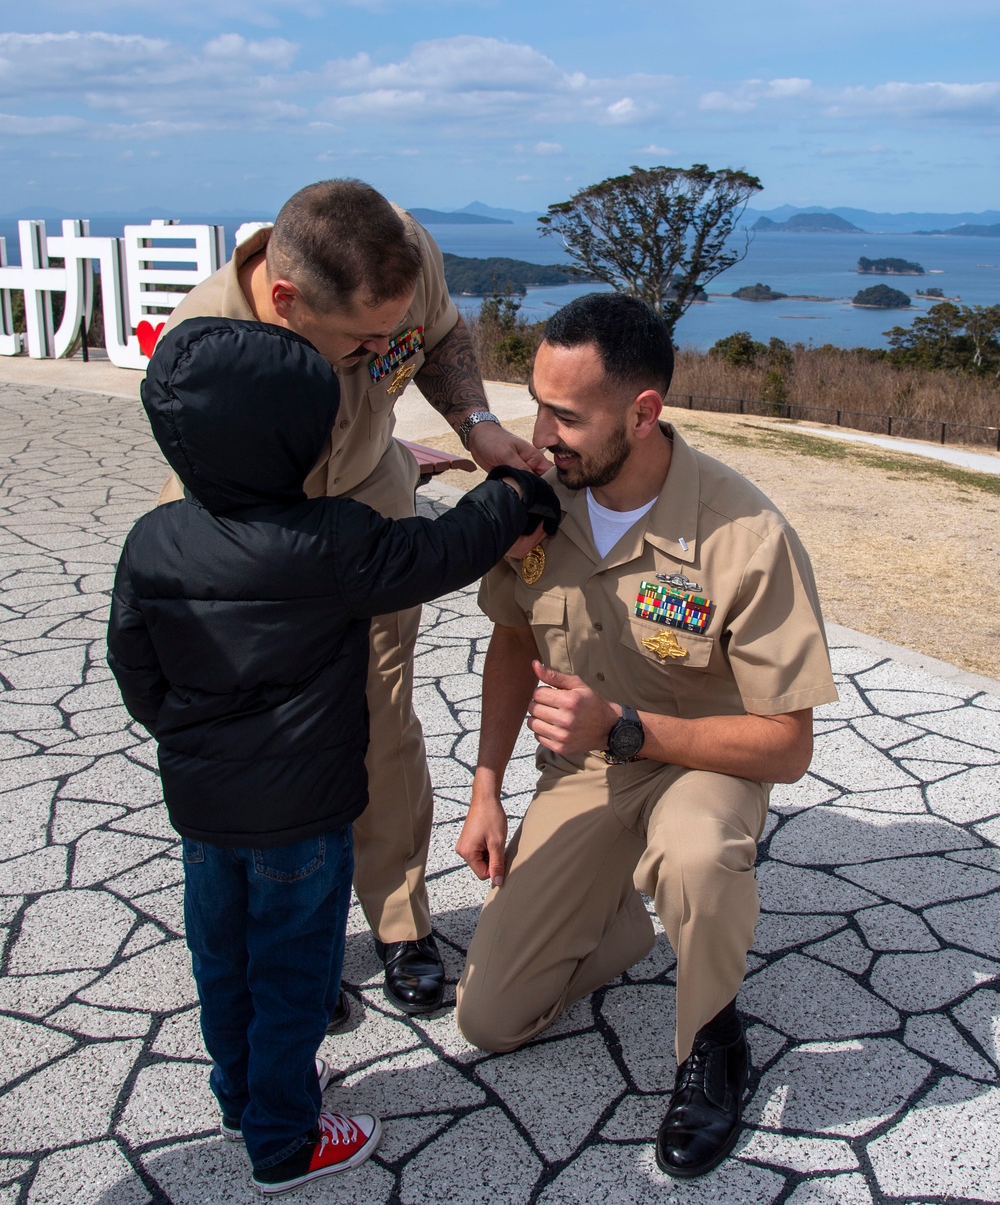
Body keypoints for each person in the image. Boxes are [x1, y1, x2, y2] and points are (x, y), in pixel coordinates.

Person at [108, 318, 558, 1194]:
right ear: (295, 438)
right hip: (304, 818)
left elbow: (138, 671)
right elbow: (442, 551)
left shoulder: (152, 540)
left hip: (203, 811)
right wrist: (513, 497)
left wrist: (192, 742)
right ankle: (284, 1138)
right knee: (292, 974)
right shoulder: (331, 543)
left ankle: (242, 1096)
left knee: (224, 960)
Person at [454, 293, 838, 1180]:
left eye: (568, 416)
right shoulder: (538, 499)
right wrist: (486, 785)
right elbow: (512, 640)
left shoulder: (746, 535)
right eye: (537, 401)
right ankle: (624, 918)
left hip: (701, 762)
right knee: (492, 1021)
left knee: (697, 855)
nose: (540, 433)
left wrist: (627, 727)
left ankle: (712, 1041)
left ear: (643, 413)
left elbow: (788, 745)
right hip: (586, 771)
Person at [156, 179, 547, 1016]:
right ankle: (292, 950)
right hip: (249, 532)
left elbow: (437, 337)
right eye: (361, 341)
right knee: (279, 744)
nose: (383, 352)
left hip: (367, 495)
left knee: (381, 713)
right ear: (287, 301)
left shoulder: (400, 255)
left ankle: (401, 921)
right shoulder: (206, 344)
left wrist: (477, 425)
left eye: (388, 331)